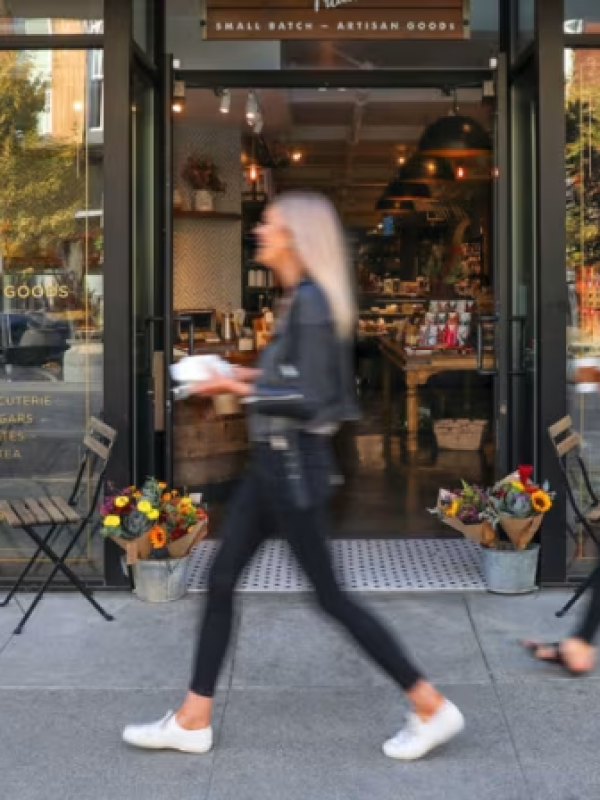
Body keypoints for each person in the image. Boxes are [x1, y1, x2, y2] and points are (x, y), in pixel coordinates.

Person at [122, 191, 465, 761]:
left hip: (291, 470)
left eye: (271, 224)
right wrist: (234, 373)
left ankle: (429, 703)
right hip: (275, 466)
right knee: (225, 579)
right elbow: (293, 384)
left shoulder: (310, 302)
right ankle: (193, 716)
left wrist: (229, 383)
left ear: (296, 239)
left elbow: (312, 398)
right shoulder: (302, 300)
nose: (260, 231)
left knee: (330, 597)